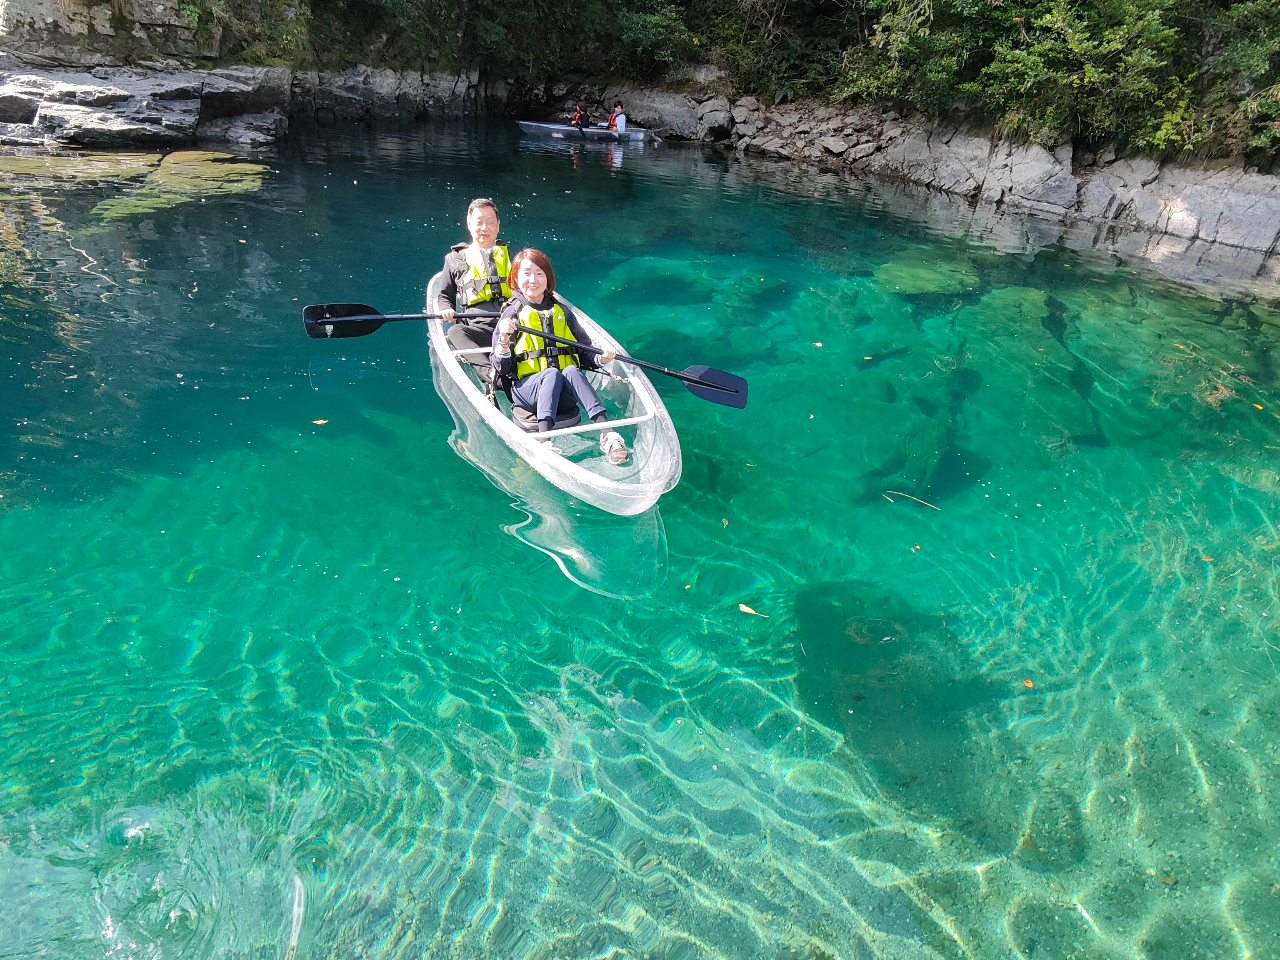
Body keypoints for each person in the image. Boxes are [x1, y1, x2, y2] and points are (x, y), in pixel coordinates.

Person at [492, 248, 630, 464]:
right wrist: (503, 337)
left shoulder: (563, 312)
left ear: (548, 278)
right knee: (551, 374)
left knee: (571, 370)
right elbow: (502, 368)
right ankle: (544, 441)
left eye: (539, 273)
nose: (533, 280)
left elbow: (584, 351)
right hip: (527, 393)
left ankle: (608, 434)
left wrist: (600, 358)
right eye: (526, 273)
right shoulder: (512, 314)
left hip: (562, 397)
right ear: (516, 279)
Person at [432, 198, 510, 371]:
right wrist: (446, 309)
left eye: (490, 223)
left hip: (512, 324)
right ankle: (490, 374)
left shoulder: (514, 256)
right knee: (455, 332)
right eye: (479, 223)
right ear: (469, 223)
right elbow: (445, 295)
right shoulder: (454, 259)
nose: (484, 228)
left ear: (498, 224)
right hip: (479, 327)